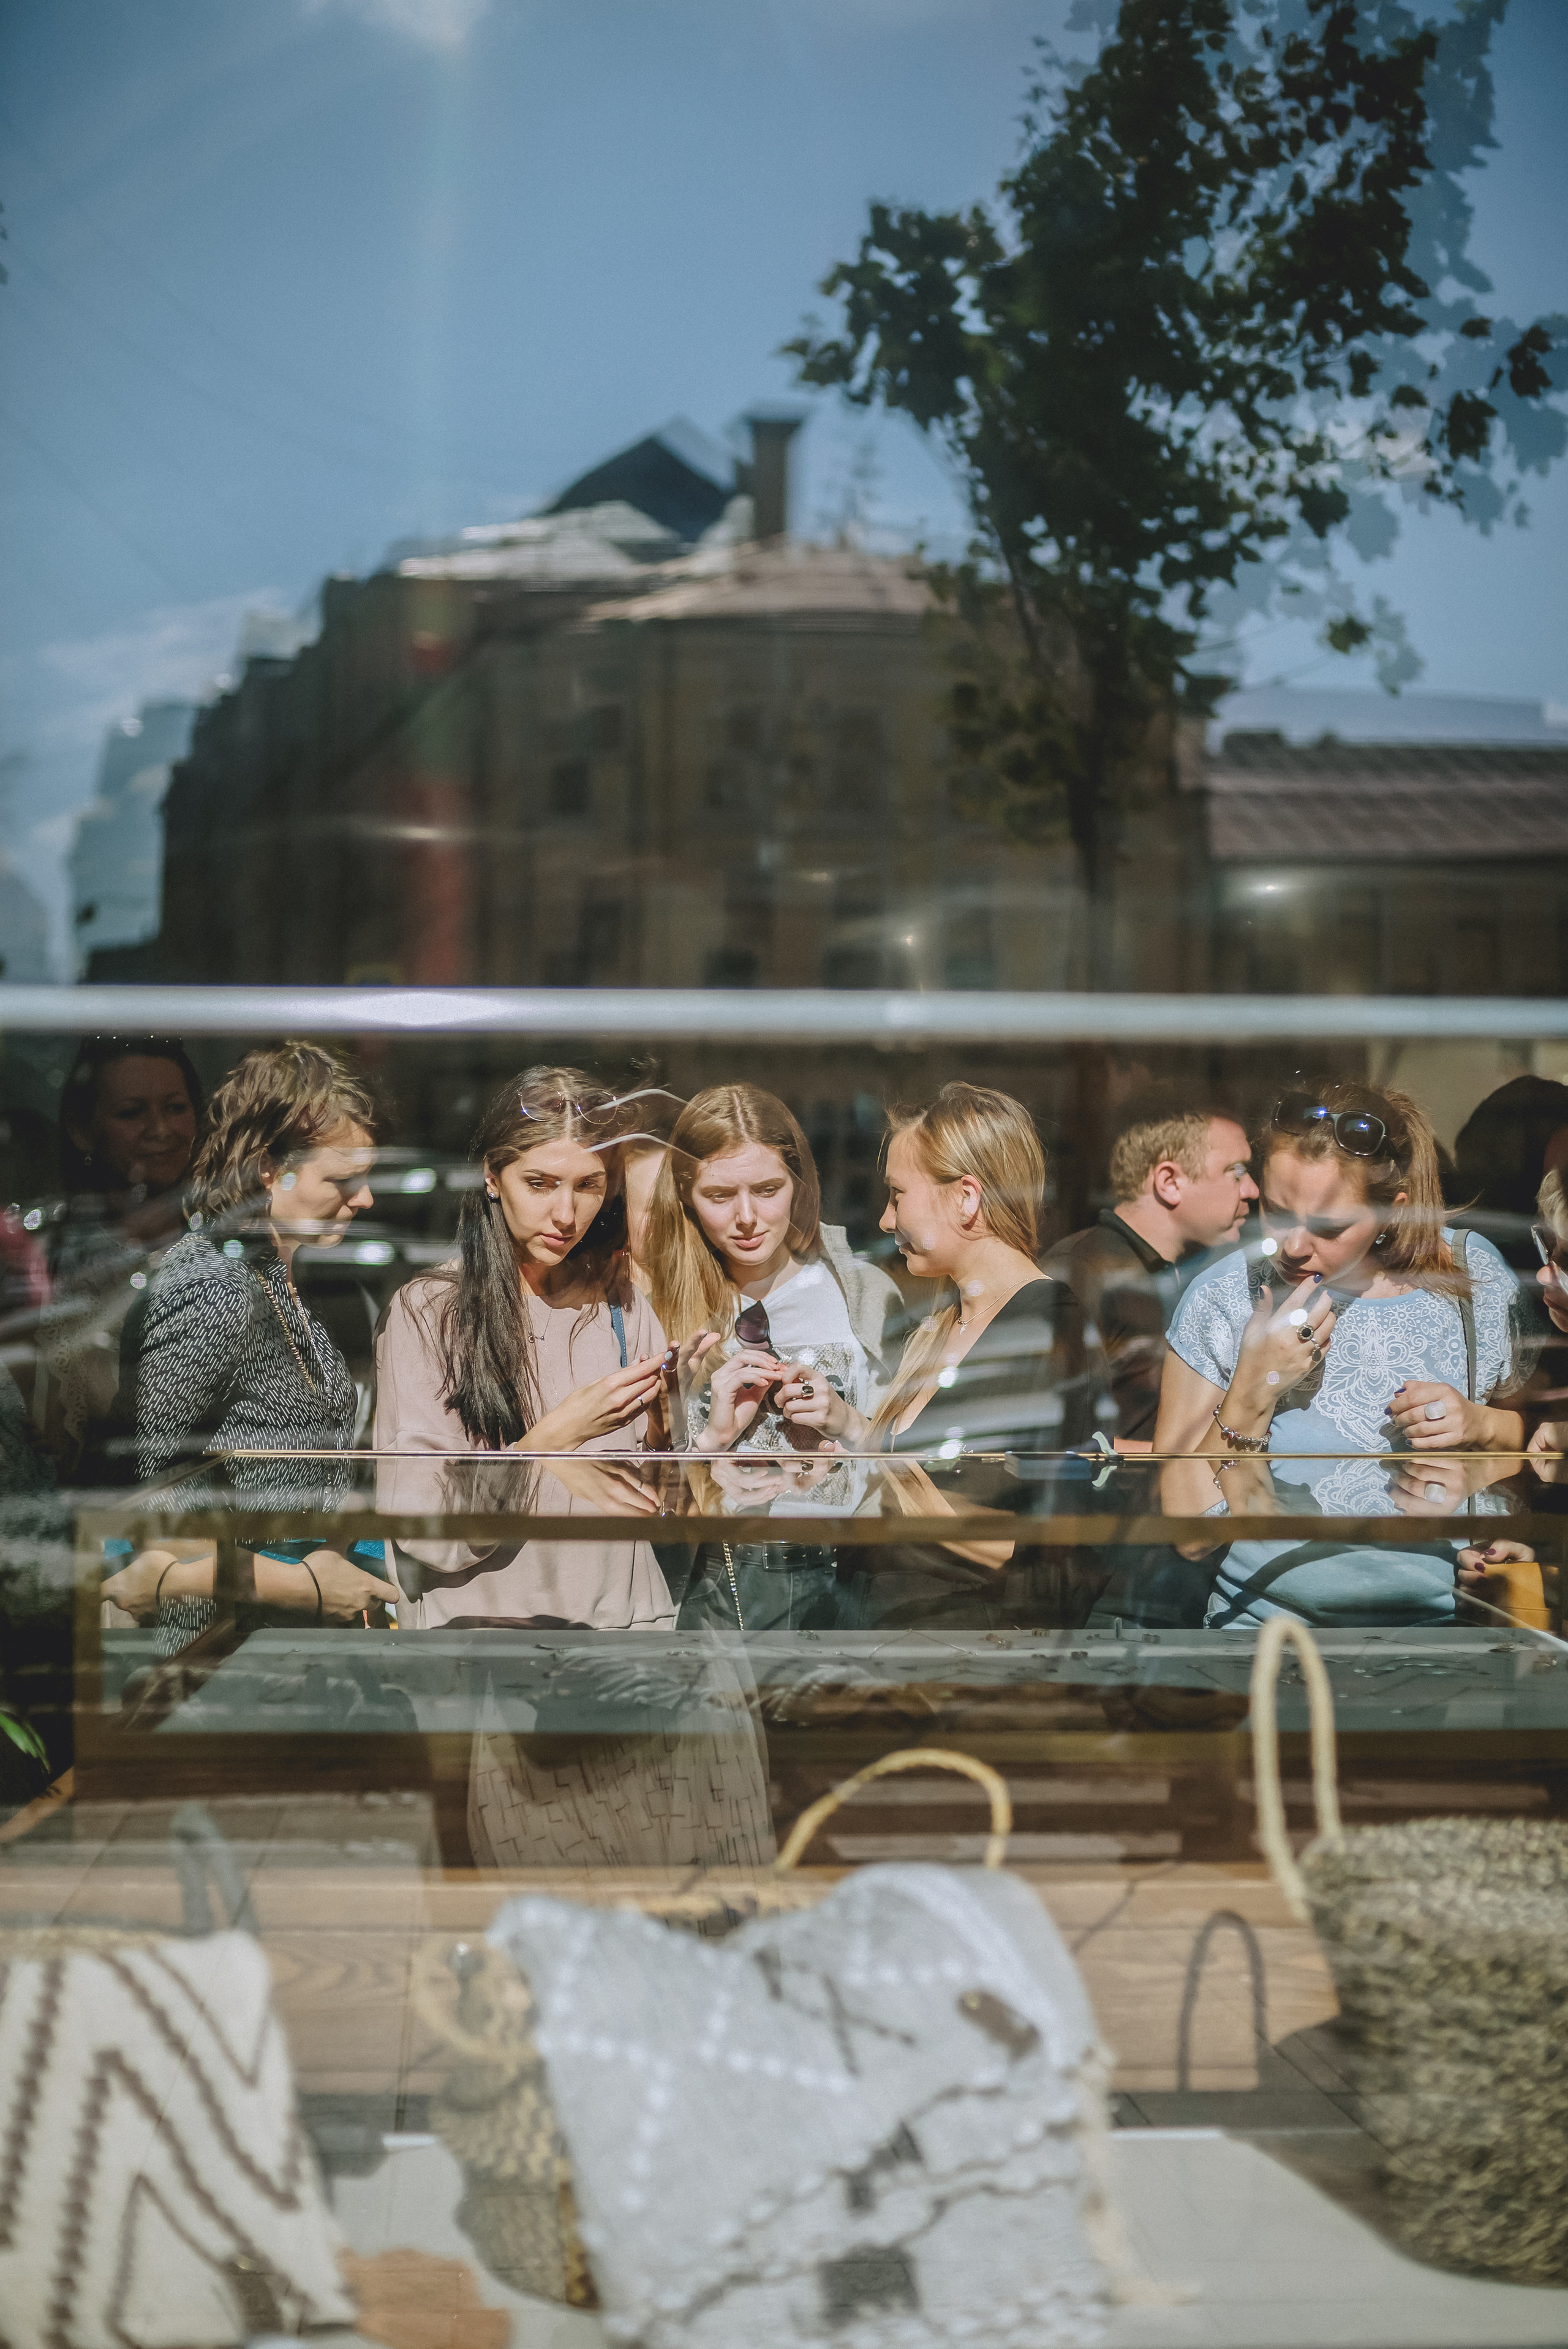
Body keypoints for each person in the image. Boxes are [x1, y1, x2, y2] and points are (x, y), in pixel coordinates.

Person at [1155, 1077, 1526, 1628]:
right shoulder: (1227, 1295)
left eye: (1329, 1226)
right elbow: (1187, 1535)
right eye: (1277, 1214)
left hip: (1444, 1647)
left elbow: (1536, 1449)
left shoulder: (1474, 1279)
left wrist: (1483, 1433)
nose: (1294, 1245)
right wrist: (1255, 1385)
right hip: (1268, 1639)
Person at [104, 1042, 391, 1646]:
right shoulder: (211, 1286)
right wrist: (304, 1585)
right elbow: (148, 1502)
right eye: (343, 1178)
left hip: (282, 1647)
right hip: (209, 1656)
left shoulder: (279, 1279)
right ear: (268, 1169)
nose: (363, 1198)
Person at [374, 1068, 675, 1628]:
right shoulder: (432, 1311)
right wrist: (549, 1443)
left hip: (619, 1643)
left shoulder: (621, 1304)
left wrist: (709, 1433)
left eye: (587, 1186)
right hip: (483, 1652)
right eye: (539, 1184)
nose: (566, 1215)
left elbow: (653, 1499)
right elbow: (423, 1527)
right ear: (493, 1176)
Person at [782, 1082, 1076, 1627]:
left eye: (897, 1196)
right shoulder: (945, 1323)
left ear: (967, 1197)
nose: (886, 1221)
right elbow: (924, 1472)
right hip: (894, 1651)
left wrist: (890, 1473)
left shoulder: (1045, 1330)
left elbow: (1032, 1546)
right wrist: (844, 1422)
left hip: (966, 1667)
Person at [644, 1082, 904, 1628]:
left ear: (798, 1184)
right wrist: (709, 1443)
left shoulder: (865, 1296)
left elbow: (915, 1466)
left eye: (767, 1189)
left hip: (847, 1577)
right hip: (714, 1582)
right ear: (687, 1197)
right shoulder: (662, 1310)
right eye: (719, 1196)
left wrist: (848, 1421)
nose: (746, 1218)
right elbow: (639, 1497)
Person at [34, 1035, 204, 1483]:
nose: (161, 1129)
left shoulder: (227, 1247)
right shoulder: (56, 1263)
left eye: (175, 1107)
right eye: (132, 1113)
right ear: (81, 1130)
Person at [1043, 1103, 1257, 1450]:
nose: (1252, 1190)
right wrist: (1194, 1459)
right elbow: (1059, 1439)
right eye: (1236, 1171)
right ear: (1169, 1182)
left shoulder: (1197, 1273)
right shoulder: (1081, 1275)